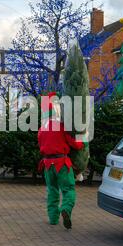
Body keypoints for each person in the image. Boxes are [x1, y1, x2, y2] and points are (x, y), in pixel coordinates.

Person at [38, 92, 84, 230]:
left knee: (52, 191)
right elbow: (76, 145)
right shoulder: (62, 126)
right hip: (61, 163)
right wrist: (83, 141)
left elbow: (41, 146)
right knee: (68, 189)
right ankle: (66, 208)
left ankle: (53, 219)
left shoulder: (41, 129)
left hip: (47, 164)